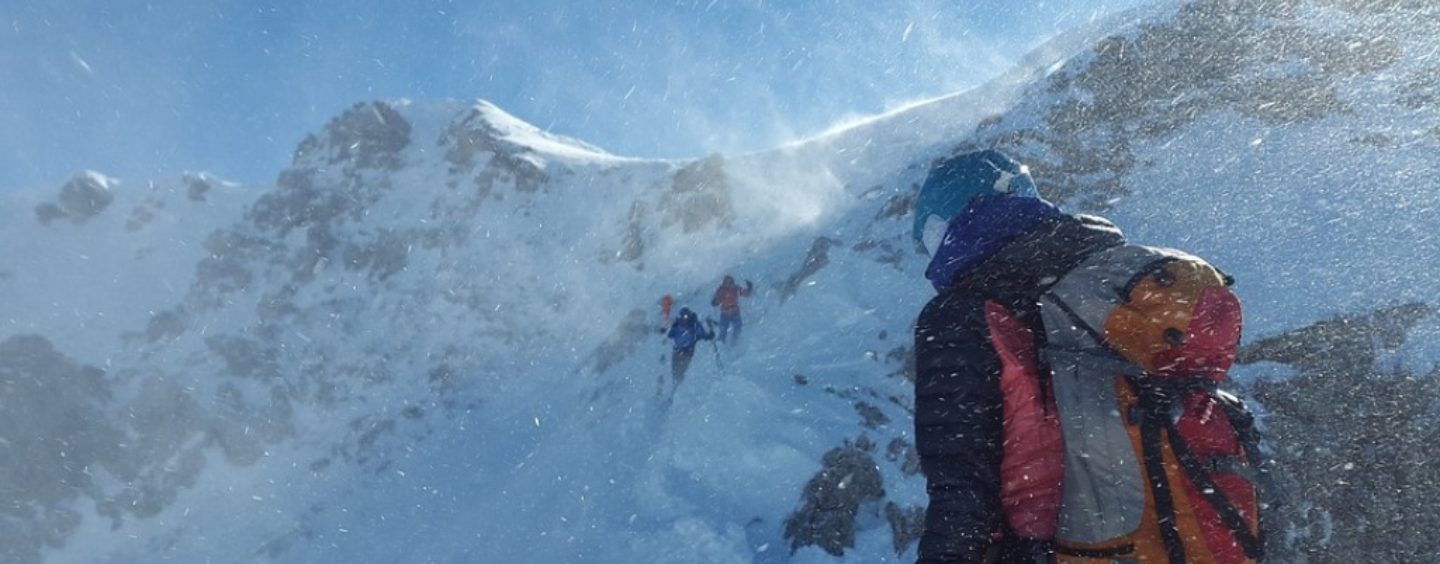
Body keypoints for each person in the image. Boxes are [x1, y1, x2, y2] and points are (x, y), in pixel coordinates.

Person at [912, 150, 1262, 563]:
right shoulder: (1107, 289)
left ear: (952, 221)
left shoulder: (963, 314)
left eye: (931, 236)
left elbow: (961, 490)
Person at [664, 307, 713, 398]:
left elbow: (702, 335)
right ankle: (674, 392)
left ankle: (678, 393)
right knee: (675, 373)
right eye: (683, 317)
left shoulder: (694, 325)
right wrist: (671, 326)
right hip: (677, 351)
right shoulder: (677, 325)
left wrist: (709, 336)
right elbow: (669, 335)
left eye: (686, 317)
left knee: (682, 372)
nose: (685, 319)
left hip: (687, 352)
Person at [710, 275, 753, 343]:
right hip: (725, 313)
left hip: (734, 311)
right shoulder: (721, 290)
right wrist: (715, 302)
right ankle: (721, 344)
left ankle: (735, 342)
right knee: (723, 330)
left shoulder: (736, 289)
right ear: (724, 283)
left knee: (737, 327)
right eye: (728, 282)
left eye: (731, 282)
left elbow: (746, 293)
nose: (730, 284)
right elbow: (716, 299)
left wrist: (749, 288)